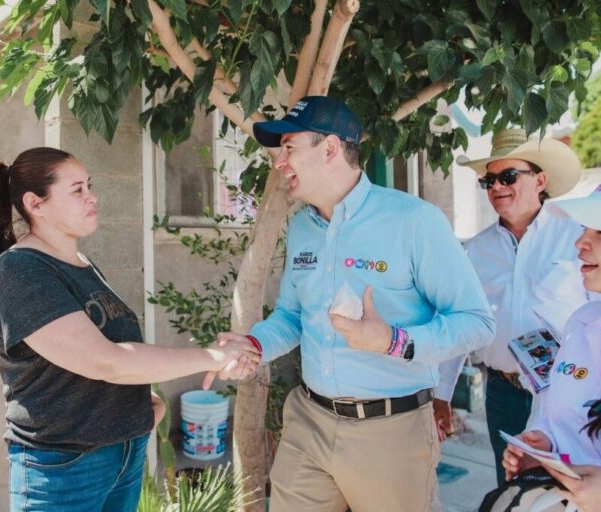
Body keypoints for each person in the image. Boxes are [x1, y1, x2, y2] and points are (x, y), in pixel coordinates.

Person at [213, 96, 495, 512]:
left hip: (391, 432)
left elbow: (476, 323)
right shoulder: (302, 228)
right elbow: (292, 316)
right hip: (308, 422)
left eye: (289, 147)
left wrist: (393, 341)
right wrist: (253, 346)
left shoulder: (414, 221)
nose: (279, 162)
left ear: (329, 149)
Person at [0, 147, 260, 512]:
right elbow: (106, 362)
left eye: (90, 186)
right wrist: (214, 356)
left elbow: (111, 353)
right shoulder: (21, 270)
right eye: (77, 189)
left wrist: (138, 411)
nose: (92, 196)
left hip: (124, 454)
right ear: (36, 203)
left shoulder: (82, 263)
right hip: (64, 467)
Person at [435, 129, 588, 485]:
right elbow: (461, 323)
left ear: (540, 180)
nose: (497, 187)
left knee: (569, 490)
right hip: (502, 393)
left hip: (567, 392)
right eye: (489, 180)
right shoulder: (474, 251)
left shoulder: (576, 237)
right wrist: (442, 395)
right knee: (512, 488)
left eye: (508, 176)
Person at [499, 190, 601, 509]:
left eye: (598, 232)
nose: (580, 243)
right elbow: (564, 411)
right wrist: (544, 446)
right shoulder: (582, 321)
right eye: (583, 229)